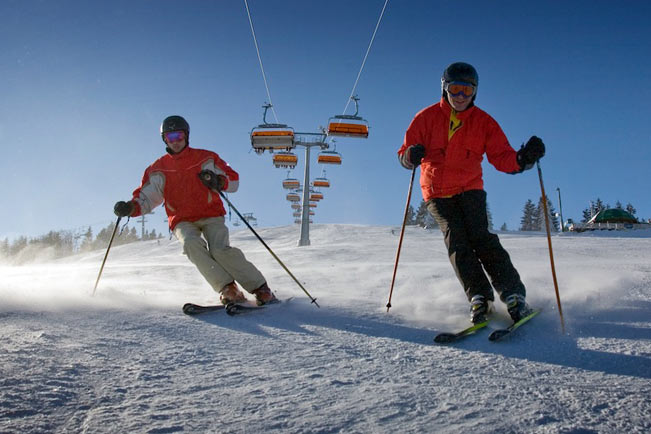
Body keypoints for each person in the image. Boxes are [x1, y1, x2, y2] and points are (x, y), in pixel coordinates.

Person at [397, 62, 545, 325]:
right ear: (444, 89)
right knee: (457, 242)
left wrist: (523, 159)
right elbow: (404, 154)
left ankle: (512, 294)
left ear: (475, 92)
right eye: (455, 89)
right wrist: (410, 156)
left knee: (482, 238)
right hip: (437, 191)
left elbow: (502, 157)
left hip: (470, 188)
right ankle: (479, 296)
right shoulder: (426, 118)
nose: (461, 97)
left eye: (467, 90)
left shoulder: (484, 122)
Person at [114, 115, 277, 306]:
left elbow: (233, 180)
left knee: (220, 250)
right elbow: (147, 198)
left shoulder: (205, 158)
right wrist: (130, 207)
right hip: (182, 219)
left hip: (211, 214)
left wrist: (219, 181)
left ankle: (260, 288)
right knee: (191, 244)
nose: (175, 141)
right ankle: (228, 288)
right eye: (170, 137)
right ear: (164, 139)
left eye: (179, 136)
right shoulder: (158, 169)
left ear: (187, 136)